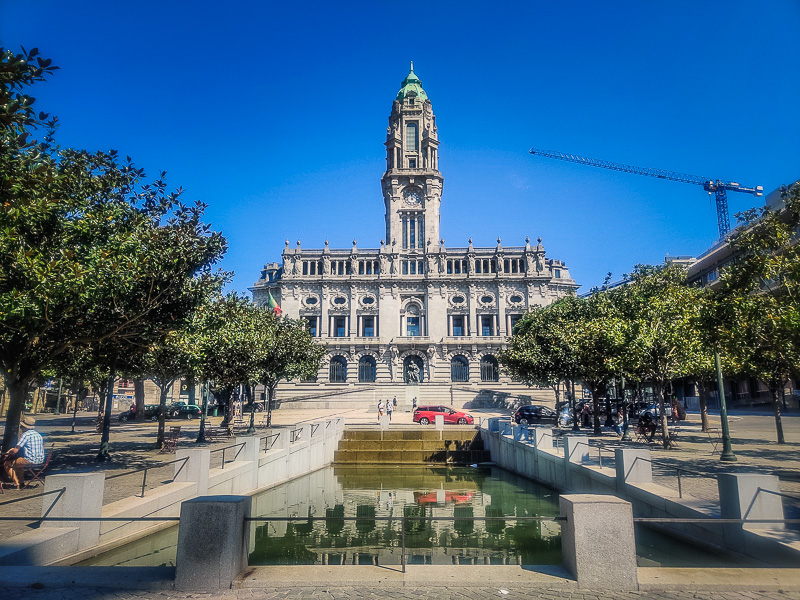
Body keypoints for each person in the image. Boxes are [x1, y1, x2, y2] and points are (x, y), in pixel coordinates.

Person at [2, 416, 44, 489]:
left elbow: (15, 450)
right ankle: (21, 483)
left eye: (21, 426)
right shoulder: (38, 434)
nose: (21, 427)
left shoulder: (26, 435)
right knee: (19, 464)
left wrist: (9, 451)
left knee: (6, 464)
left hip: (30, 460)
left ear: (25, 427)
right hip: (40, 459)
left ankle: (16, 483)